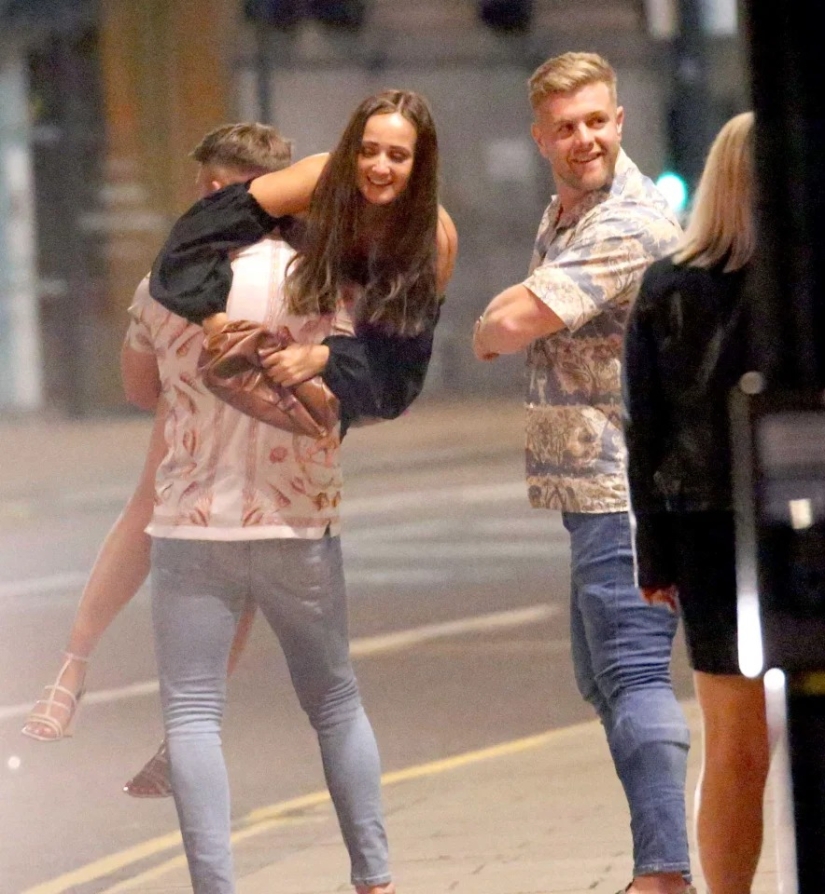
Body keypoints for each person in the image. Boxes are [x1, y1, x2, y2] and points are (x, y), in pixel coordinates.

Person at [124, 89, 455, 894]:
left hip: (193, 519)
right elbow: (391, 386)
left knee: (193, 713)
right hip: (298, 515)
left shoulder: (172, 280)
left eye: (396, 154)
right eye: (367, 150)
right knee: (334, 702)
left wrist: (218, 326)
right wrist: (325, 363)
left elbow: (144, 371)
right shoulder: (327, 269)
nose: (378, 166)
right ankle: (374, 879)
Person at [472, 52, 694, 894]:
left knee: (631, 671)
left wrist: (494, 321)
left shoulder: (625, 224)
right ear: (541, 138)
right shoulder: (569, 212)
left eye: (597, 121)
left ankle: (663, 873)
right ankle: (660, 859)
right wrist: (502, 315)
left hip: (623, 487)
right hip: (589, 487)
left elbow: (510, 322)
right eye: (566, 127)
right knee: (600, 678)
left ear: (620, 120)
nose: (585, 139)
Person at [21, 123, 293, 797]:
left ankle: (70, 672)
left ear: (218, 189)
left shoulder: (168, 276)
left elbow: (139, 389)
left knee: (140, 515)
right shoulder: (300, 275)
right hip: (268, 450)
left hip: (184, 437)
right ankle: (183, 739)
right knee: (241, 584)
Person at [622, 112, 766, 894]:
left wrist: (654, 557)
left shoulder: (666, 285)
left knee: (733, 746)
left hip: (704, 531)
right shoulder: (798, 283)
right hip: (799, 516)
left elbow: (644, 431)